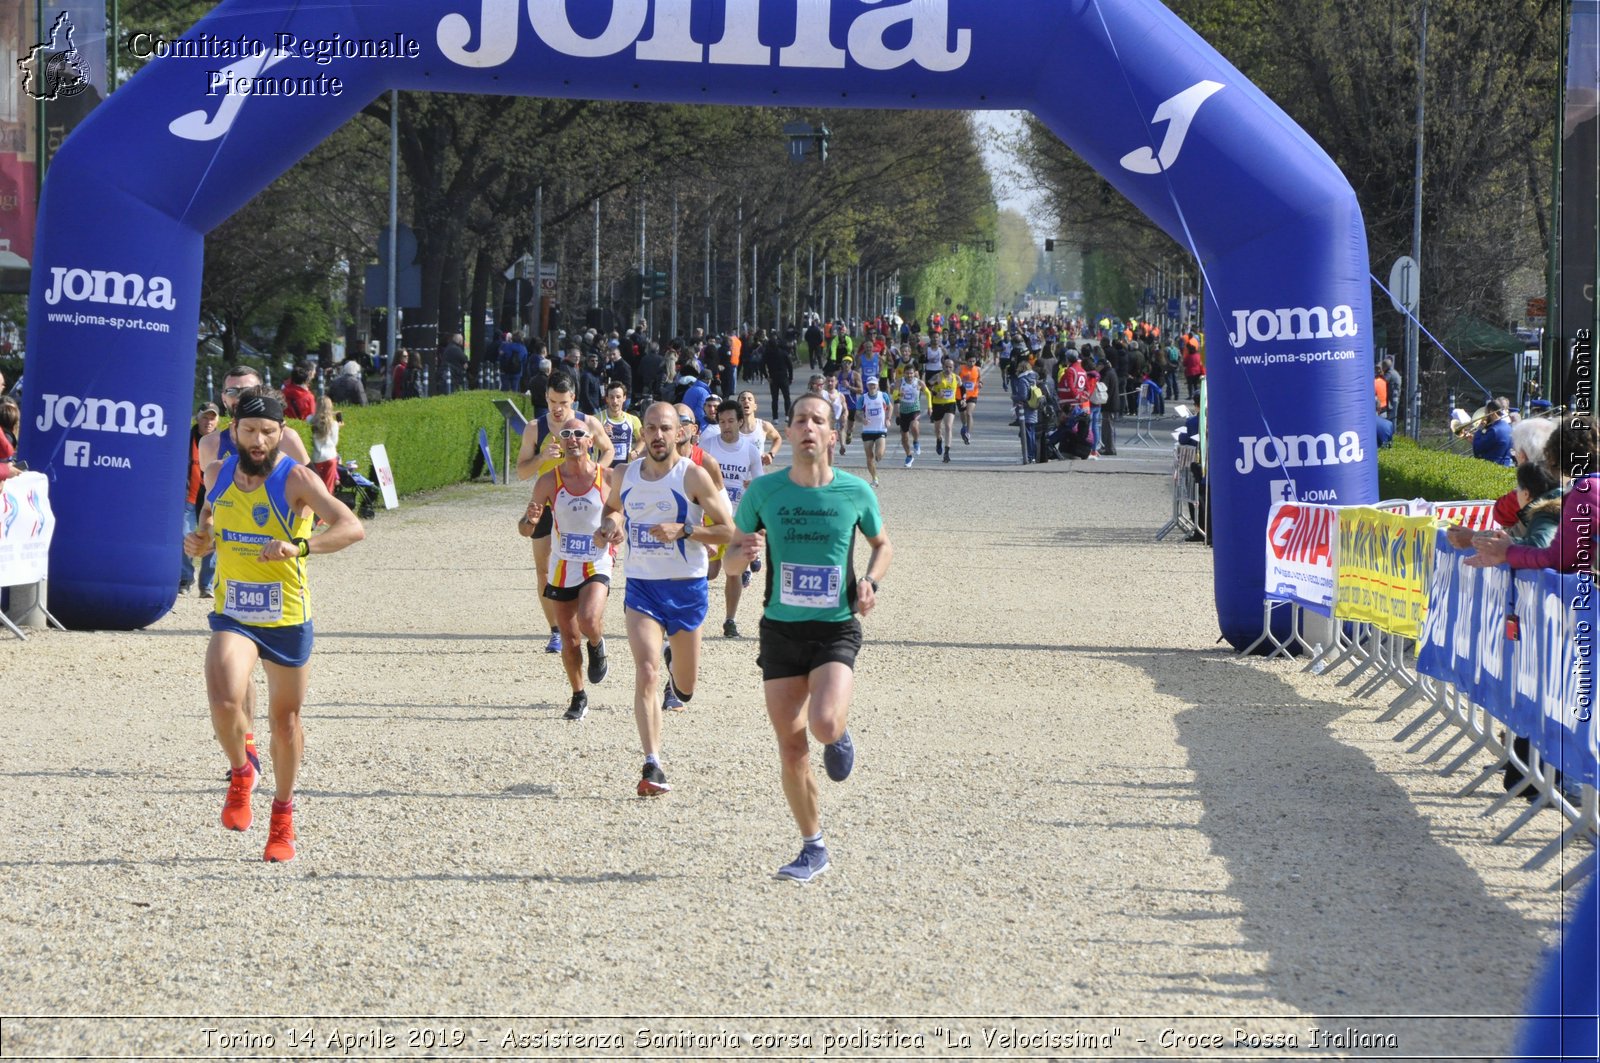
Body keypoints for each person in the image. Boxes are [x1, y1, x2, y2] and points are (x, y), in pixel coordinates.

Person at [183, 388, 365, 862]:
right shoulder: (219, 474)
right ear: (234, 433)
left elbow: (350, 527)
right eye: (249, 431)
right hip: (235, 613)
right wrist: (202, 540)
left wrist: (299, 548)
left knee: (285, 723)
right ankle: (242, 772)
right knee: (224, 702)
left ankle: (282, 816)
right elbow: (209, 516)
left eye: (268, 432)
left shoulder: (297, 479)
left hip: (286, 615)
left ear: (282, 433)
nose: (259, 440)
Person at [725, 392, 892, 882]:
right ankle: (812, 846)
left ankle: (838, 732)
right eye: (800, 420)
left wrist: (870, 583)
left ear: (832, 435)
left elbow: (882, 544)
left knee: (821, 724)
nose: (807, 428)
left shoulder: (855, 492)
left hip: (835, 626)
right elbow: (730, 563)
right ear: (790, 431)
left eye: (818, 420)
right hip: (780, 630)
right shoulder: (764, 492)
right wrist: (743, 552)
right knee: (792, 746)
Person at [594, 403, 733, 796]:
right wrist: (611, 526)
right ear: (644, 433)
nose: (657, 435)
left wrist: (685, 529)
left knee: (685, 687)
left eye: (665, 428)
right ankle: (652, 763)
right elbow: (613, 510)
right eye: (651, 428)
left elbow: (728, 530)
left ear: (680, 434)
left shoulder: (694, 476)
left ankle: (677, 666)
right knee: (646, 671)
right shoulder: (625, 474)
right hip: (643, 586)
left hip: (686, 589)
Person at [516, 373, 616, 654]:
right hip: (549, 502)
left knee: (588, 562)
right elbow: (522, 472)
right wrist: (541, 459)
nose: (556, 408)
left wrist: (596, 473)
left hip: (584, 500)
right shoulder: (535, 428)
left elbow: (607, 451)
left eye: (562, 402)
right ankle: (556, 630)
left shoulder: (587, 423)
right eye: (551, 401)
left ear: (573, 398)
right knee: (544, 569)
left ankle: (591, 619)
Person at [525, 415, 613, 721]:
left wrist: (615, 530)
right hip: (563, 564)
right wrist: (531, 521)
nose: (573, 439)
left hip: (596, 561)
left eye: (579, 433)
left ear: (591, 441)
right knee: (569, 637)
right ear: (559, 442)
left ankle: (598, 642)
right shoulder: (549, 481)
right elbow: (525, 528)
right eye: (567, 434)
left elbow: (622, 519)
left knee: (589, 619)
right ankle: (578, 695)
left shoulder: (608, 477)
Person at [699, 400, 767, 638]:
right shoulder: (707, 444)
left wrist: (753, 487)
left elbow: (760, 482)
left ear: (740, 422)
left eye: (730, 421)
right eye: (722, 422)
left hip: (738, 518)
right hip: (710, 516)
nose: (726, 426)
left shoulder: (749, 450)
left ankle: (730, 620)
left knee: (733, 571)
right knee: (710, 570)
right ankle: (691, 613)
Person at [180, 403, 221, 596]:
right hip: (188, 496)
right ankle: (185, 580)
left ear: (218, 420)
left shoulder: (223, 441)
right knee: (185, 536)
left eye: (212, 418)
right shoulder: (185, 439)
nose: (208, 421)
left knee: (211, 537)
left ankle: (207, 585)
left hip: (212, 498)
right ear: (197, 418)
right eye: (205, 417)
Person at [927, 356, 961, 463]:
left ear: (953, 367)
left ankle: (946, 452)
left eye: (950, 367)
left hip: (950, 404)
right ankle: (939, 439)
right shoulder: (937, 376)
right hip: (938, 404)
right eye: (946, 367)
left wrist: (963, 399)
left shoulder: (956, 378)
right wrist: (936, 393)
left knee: (948, 426)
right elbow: (927, 386)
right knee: (938, 429)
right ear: (943, 366)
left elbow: (962, 388)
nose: (948, 369)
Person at [895, 363, 930, 467]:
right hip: (903, 410)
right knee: (904, 438)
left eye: (911, 373)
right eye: (907, 373)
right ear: (904, 373)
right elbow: (894, 395)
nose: (909, 375)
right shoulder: (899, 382)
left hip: (915, 409)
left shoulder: (919, 382)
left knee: (914, 426)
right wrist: (898, 395)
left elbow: (928, 393)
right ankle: (909, 456)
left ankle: (916, 441)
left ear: (914, 373)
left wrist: (930, 407)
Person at [600, 382, 643, 466]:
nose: (615, 401)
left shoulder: (633, 420)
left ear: (624, 398)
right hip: (603, 470)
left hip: (625, 470)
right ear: (607, 399)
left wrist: (636, 451)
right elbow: (587, 442)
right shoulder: (597, 419)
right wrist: (600, 433)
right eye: (611, 397)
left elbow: (642, 439)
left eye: (618, 397)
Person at [858, 374, 890, 487]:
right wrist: (862, 419)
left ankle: (879, 455)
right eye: (870, 385)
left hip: (880, 429)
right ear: (867, 385)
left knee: (879, 455)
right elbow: (857, 413)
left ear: (877, 385)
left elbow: (889, 407)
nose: (872, 386)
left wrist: (888, 418)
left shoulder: (883, 396)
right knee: (869, 456)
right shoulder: (863, 398)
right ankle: (874, 478)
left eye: (874, 385)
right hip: (867, 431)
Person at [1011, 358, 1042, 463]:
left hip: (1026, 410)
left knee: (1027, 433)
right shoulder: (1033, 378)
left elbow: (1023, 396)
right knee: (1031, 432)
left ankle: (1029, 455)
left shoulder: (1023, 380)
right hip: (1034, 408)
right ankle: (1032, 455)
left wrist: (1014, 397)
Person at [309, 397, 341, 494]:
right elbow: (334, 442)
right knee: (328, 488)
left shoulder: (310, 420)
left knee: (315, 486)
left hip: (316, 457)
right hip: (330, 457)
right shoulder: (334, 424)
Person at [1471, 398, 1515, 466]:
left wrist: (1479, 430)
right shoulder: (1508, 427)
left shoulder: (1494, 430)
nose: (1485, 416)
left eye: (1486, 413)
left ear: (1492, 413)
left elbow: (1477, 449)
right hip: (1505, 465)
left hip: (1492, 466)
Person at [957, 352, 982, 445]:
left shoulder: (978, 369)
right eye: (970, 361)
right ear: (966, 361)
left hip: (973, 395)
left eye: (973, 361)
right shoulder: (960, 368)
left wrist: (980, 384)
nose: (972, 363)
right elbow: (955, 379)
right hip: (960, 395)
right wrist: (961, 381)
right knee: (962, 414)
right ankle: (964, 425)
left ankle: (968, 433)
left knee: (969, 413)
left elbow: (980, 379)